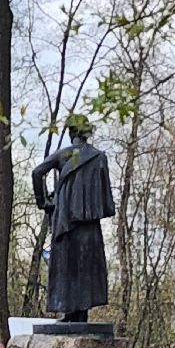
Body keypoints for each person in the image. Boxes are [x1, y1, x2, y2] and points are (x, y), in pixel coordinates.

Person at [31, 114, 115, 322]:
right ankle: (80, 314)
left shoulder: (64, 154)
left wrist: (44, 202)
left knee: (67, 267)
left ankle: (70, 313)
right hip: (89, 223)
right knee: (86, 268)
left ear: (70, 132)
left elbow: (37, 173)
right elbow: (105, 196)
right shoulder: (99, 157)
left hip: (66, 222)